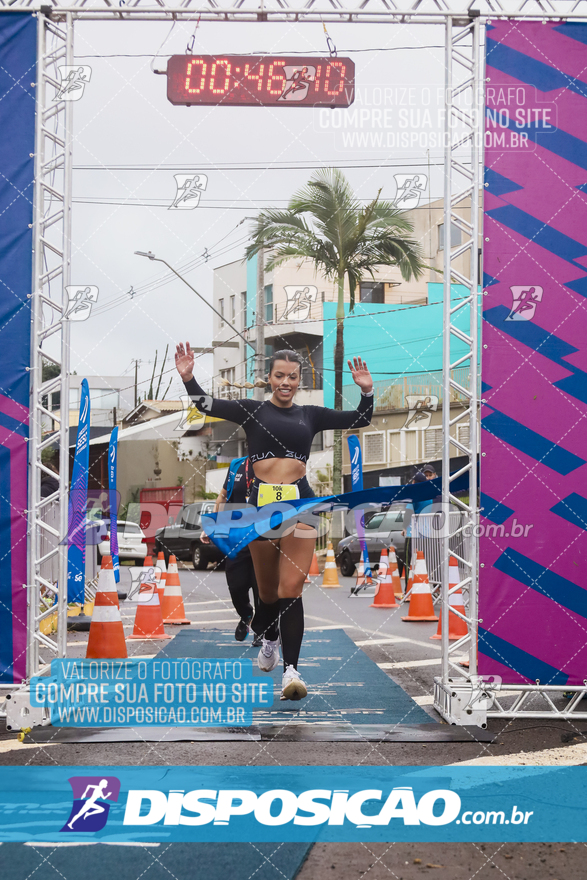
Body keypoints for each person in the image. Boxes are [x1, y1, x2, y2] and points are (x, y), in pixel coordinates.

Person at [175, 343, 373, 702]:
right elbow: (205, 405)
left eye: (292, 377)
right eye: (279, 375)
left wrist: (366, 390)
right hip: (260, 510)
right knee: (267, 596)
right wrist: (189, 378)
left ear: (300, 380)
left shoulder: (310, 415)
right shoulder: (252, 411)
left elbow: (360, 419)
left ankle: (291, 672)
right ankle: (269, 638)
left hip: (300, 507)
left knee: (291, 590)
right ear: (269, 378)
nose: (286, 382)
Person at [203, 456, 261, 646]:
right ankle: (246, 614)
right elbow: (222, 496)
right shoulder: (237, 465)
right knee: (236, 585)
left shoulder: (273, 464)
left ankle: (261, 629)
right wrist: (212, 526)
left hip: (263, 536)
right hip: (236, 537)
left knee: (260, 586)